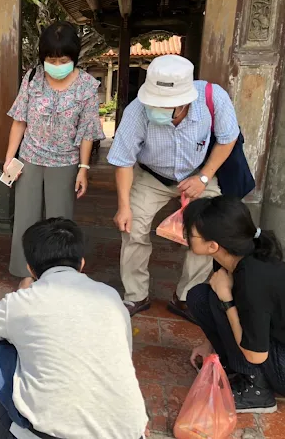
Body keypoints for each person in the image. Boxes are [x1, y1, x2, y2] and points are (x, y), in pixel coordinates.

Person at [0, 218, 148, 439]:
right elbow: (122, 358)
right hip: (130, 432)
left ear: (30, 269)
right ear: (81, 264)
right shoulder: (111, 297)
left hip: (49, 435)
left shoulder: (19, 303)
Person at [107, 55, 240, 321]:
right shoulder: (137, 111)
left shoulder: (214, 98)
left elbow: (228, 138)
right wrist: (123, 207)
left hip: (199, 173)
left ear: (186, 100)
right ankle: (135, 295)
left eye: (165, 105)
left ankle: (186, 297)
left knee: (206, 232)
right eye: (154, 101)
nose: (156, 107)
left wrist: (203, 178)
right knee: (132, 228)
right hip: (152, 175)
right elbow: (123, 161)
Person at [4, 21, 105, 289]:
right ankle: (25, 271)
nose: (56, 64)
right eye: (51, 58)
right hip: (30, 158)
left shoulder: (86, 86)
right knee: (25, 218)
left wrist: (83, 168)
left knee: (60, 221)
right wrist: (9, 158)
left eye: (63, 59)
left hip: (65, 161)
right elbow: (19, 121)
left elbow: (87, 131)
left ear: (74, 57)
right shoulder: (32, 78)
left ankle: (59, 274)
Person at [184, 196, 285, 413]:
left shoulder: (253, 276)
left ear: (212, 245)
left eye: (190, 234)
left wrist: (227, 300)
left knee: (222, 300)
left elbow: (257, 355)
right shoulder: (232, 254)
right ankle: (237, 368)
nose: (185, 237)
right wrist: (209, 344)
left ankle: (256, 391)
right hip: (272, 339)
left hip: (281, 364)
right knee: (201, 296)